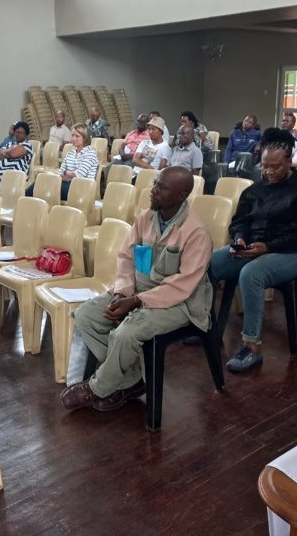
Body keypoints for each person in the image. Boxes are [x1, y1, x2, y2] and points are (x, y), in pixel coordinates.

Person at [59, 167, 212, 412]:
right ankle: (130, 379)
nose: (153, 190)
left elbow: (184, 285)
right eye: (155, 183)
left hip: (180, 303)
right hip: (136, 292)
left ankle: (96, 388)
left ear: (181, 195)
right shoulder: (145, 218)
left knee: (126, 333)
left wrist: (137, 301)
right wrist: (121, 292)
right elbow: (126, 257)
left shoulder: (196, 232)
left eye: (161, 187)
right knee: (86, 315)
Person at [208, 129, 297, 372]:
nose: (268, 172)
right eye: (265, 166)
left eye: (275, 167)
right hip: (254, 248)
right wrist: (239, 239)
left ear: (289, 161)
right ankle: (205, 327)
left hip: (295, 253)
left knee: (252, 273)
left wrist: (268, 247)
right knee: (211, 263)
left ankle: (251, 346)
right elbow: (239, 222)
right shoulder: (254, 190)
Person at [28, 123, 98, 201]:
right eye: (72, 135)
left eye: (77, 136)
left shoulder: (90, 153)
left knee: (45, 185)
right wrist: (67, 174)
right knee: (41, 181)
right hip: (67, 184)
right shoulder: (70, 153)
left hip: (82, 188)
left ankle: (24, 199)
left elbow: (79, 175)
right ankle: (26, 200)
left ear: (85, 138)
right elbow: (61, 172)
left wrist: (66, 173)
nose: (73, 138)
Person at [0, 121, 33, 194]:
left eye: (20, 133)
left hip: (13, 172)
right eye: (17, 132)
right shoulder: (10, 144)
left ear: (26, 134)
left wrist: (4, 152)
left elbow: (13, 154)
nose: (18, 134)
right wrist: (8, 152)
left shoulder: (27, 145)